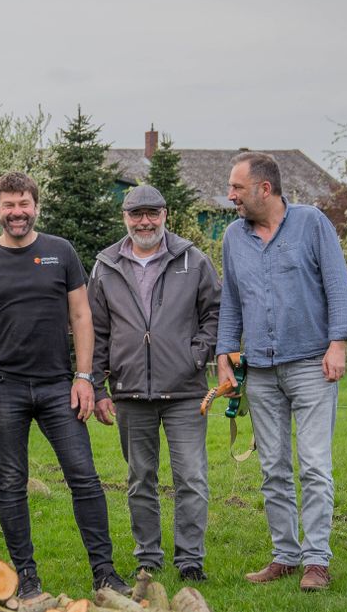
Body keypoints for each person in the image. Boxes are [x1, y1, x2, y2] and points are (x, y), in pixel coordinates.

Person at [0, 171, 131, 599]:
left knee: (85, 477)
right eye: (8, 205)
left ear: (36, 205)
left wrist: (85, 376)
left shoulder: (61, 252)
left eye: (24, 204)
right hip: (2, 386)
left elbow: (81, 317)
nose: (17, 212)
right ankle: (26, 579)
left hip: (58, 386)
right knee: (12, 482)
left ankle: (105, 573)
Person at [216, 152, 347, 592]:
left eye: (237, 189)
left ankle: (317, 560)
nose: (230, 196)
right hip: (259, 370)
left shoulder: (312, 223)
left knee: (314, 465)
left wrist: (338, 344)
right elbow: (231, 302)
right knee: (273, 467)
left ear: (265, 188)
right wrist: (225, 353)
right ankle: (285, 554)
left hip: (311, 365)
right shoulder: (232, 238)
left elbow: (339, 285)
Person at [87, 185, 221, 583]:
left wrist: (196, 355)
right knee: (140, 479)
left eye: (152, 213)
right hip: (129, 392)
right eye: (136, 213)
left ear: (166, 214)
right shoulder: (105, 265)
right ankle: (148, 556)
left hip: (184, 391)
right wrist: (96, 387)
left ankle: (190, 559)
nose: (144, 221)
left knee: (191, 478)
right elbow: (95, 330)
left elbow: (215, 312)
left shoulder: (193, 261)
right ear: (124, 217)